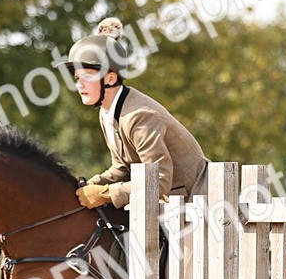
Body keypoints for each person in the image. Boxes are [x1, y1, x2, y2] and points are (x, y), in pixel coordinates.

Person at [60, 17, 210, 210]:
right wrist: (89, 184)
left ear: (111, 78)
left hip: (200, 204)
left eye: (87, 76)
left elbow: (160, 182)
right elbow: (123, 168)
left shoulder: (139, 116)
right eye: (77, 78)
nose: (79, 84)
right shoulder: (107, 112)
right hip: (172, 204)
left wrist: (105, 194)